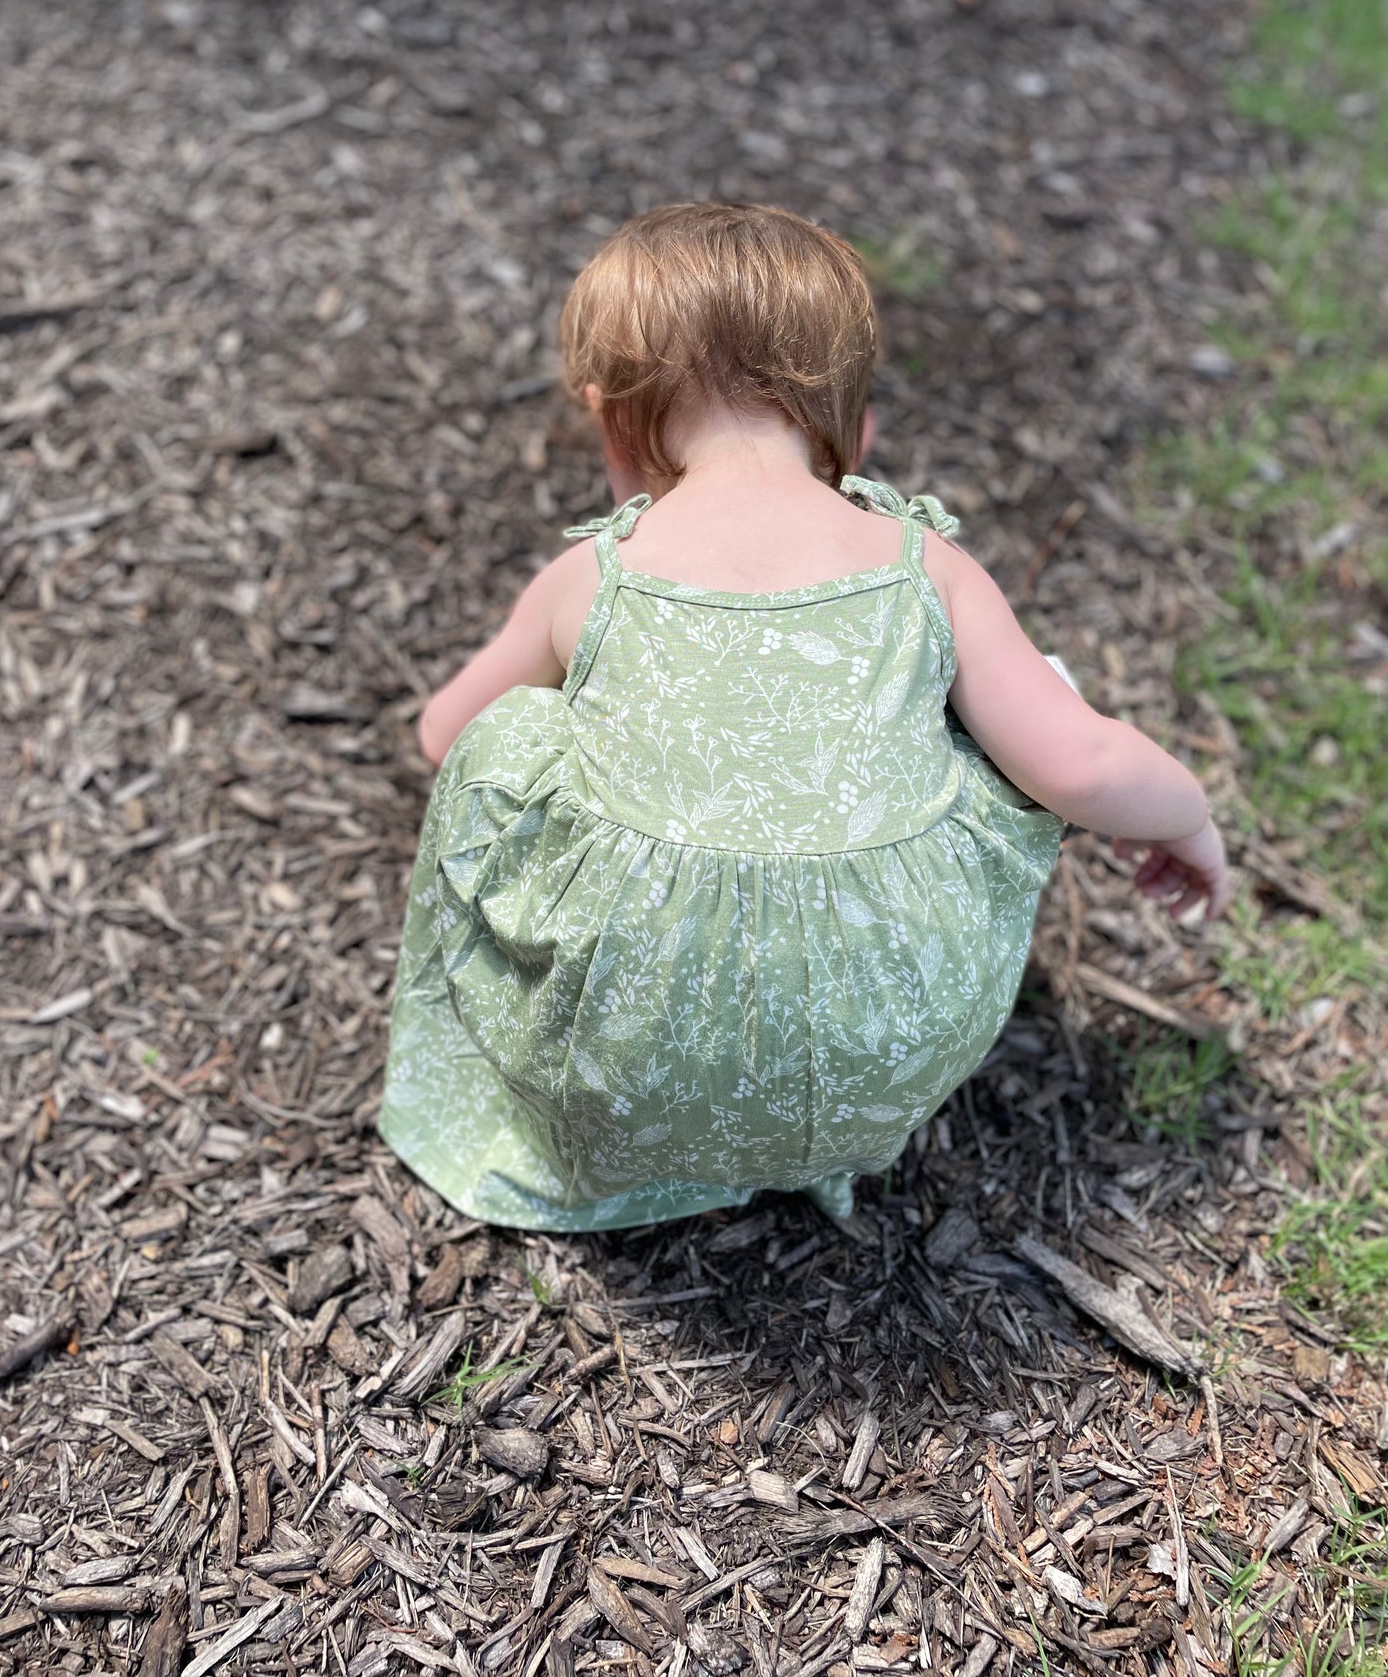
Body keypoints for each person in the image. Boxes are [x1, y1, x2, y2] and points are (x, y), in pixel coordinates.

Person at [380, 202, 1230, 1230]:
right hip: (890, 1044)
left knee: (504, 736)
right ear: (854, 429)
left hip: (628, 1065)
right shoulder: (925, 569)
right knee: (1017, 691)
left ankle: (633, 1133)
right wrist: (1183, 815)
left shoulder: (591, 580)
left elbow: (441, 735)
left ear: (608, 419)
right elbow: (1083, 765)